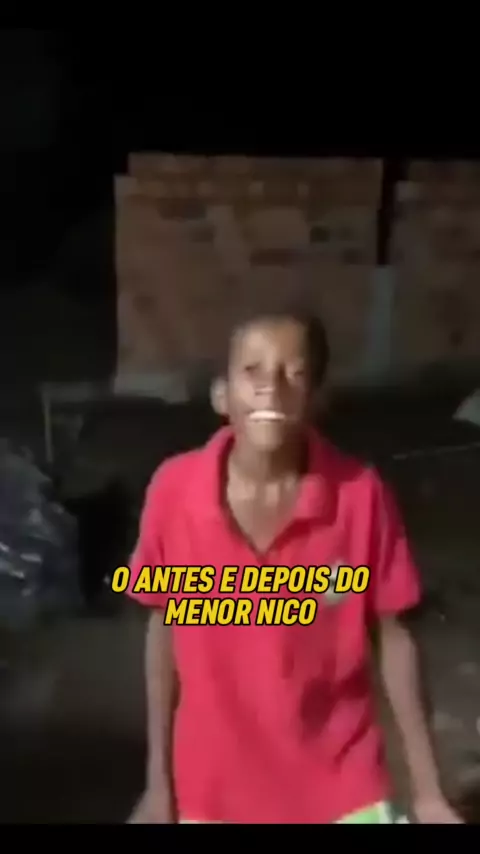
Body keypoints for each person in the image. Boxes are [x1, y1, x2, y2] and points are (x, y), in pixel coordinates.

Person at [125, 307, 462, 824]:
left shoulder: (360, 496)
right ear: (221, 395)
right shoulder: (174, 492)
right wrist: (157, 785)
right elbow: (164, 629)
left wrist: (430, 793)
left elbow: (395, 639)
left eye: (294, 374)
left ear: (317, 399)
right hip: (211, 789)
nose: (271, 388)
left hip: (340, 784)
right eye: (252, 371)